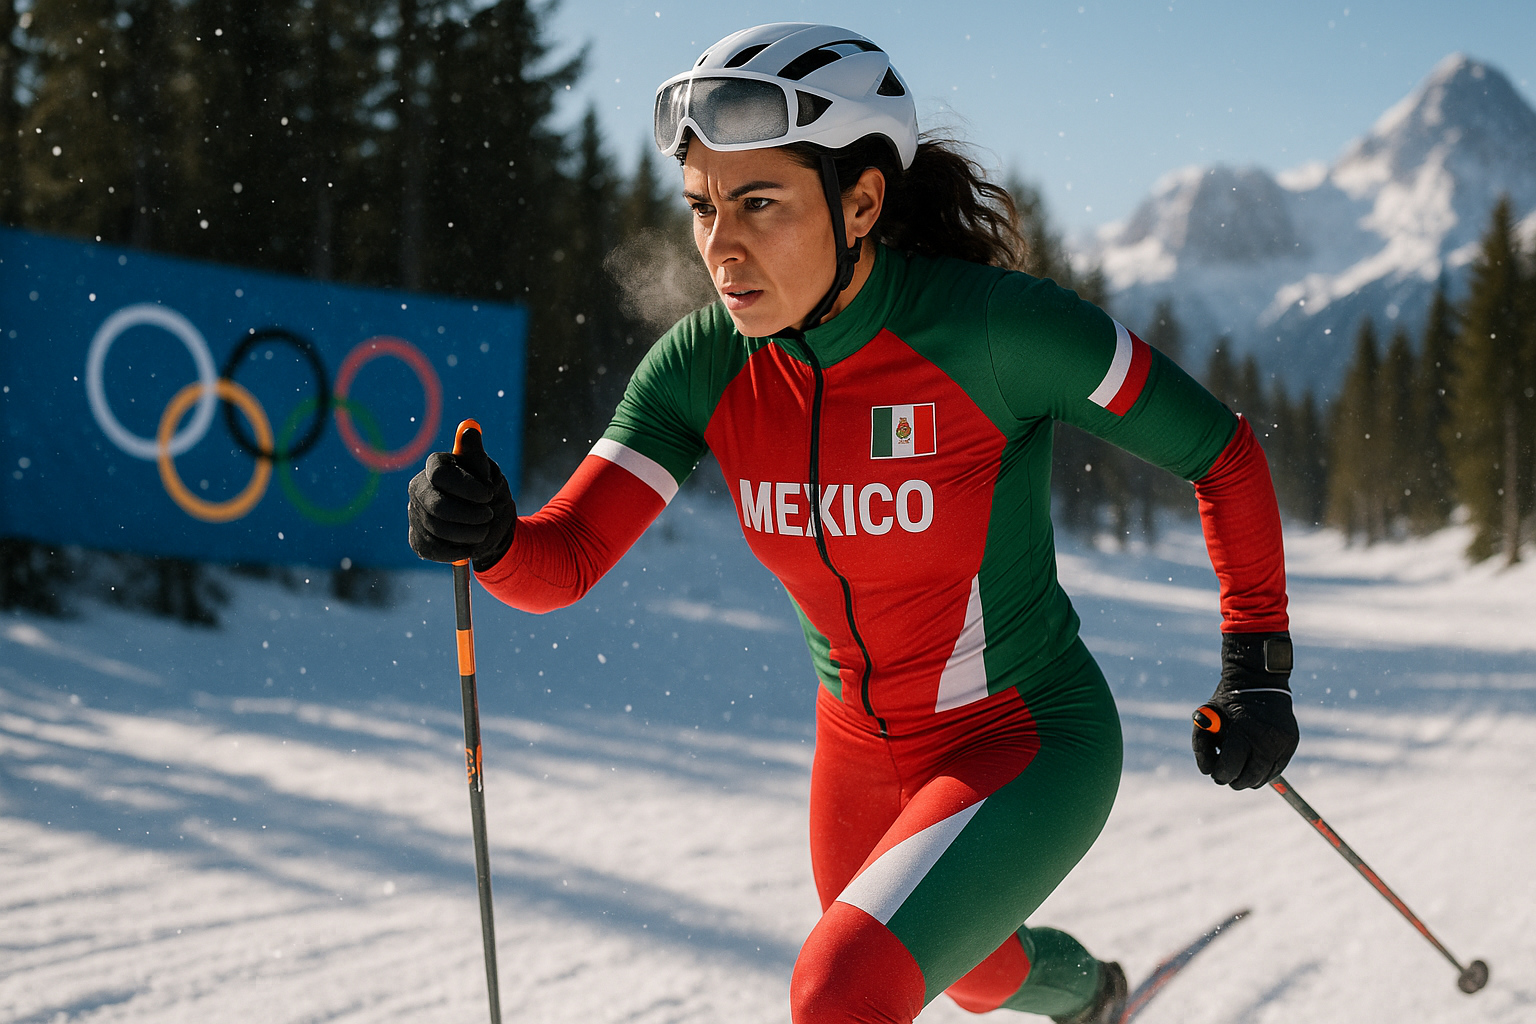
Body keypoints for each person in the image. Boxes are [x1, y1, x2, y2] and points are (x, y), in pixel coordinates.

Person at [407, 22, 1298, 1024]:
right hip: (857, 757)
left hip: (1025, 735)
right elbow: (558, 563)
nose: (720, 247)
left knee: (841, 989)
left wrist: (1257, 664)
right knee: (964, 967)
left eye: (758, 204)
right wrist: (485, 534)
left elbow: (1221, 452)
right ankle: (1092, 995)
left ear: (861, 200)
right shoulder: (704, 366)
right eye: (702, 208)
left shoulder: (1002, 331)